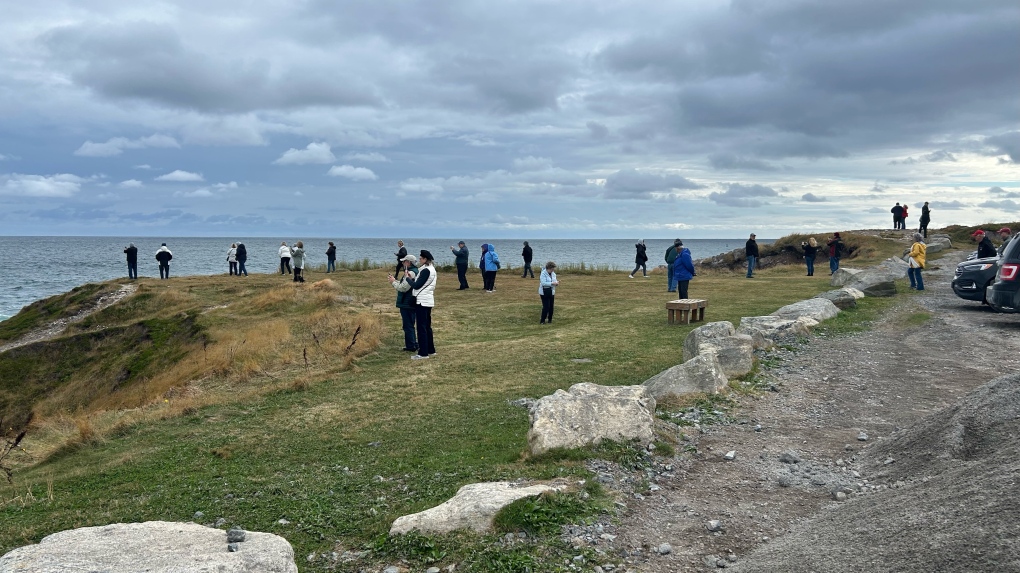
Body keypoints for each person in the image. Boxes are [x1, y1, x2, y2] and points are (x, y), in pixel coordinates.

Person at [408, 250, 437, 360]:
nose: (419, 260)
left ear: (425, 259)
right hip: (428, 300)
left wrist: (408, 279)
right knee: (427, 326)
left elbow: (416, 285)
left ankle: (423, 353)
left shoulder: (426, 270)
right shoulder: (432, 269)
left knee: (421, 327)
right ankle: (430, 349)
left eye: (420, 258)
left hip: (422, 301)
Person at [387, 254, 419, 352]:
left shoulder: (411, 273)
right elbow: (403, 285)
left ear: (409, 262)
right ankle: (413, 343)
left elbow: (403, 288)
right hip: (409, 302)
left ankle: (411, 346)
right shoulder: (413, 271)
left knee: (408, 325)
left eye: (404, 261)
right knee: (410, 324)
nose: (402, 263)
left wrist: (393, 282)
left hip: (407, 303)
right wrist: (396, 281)